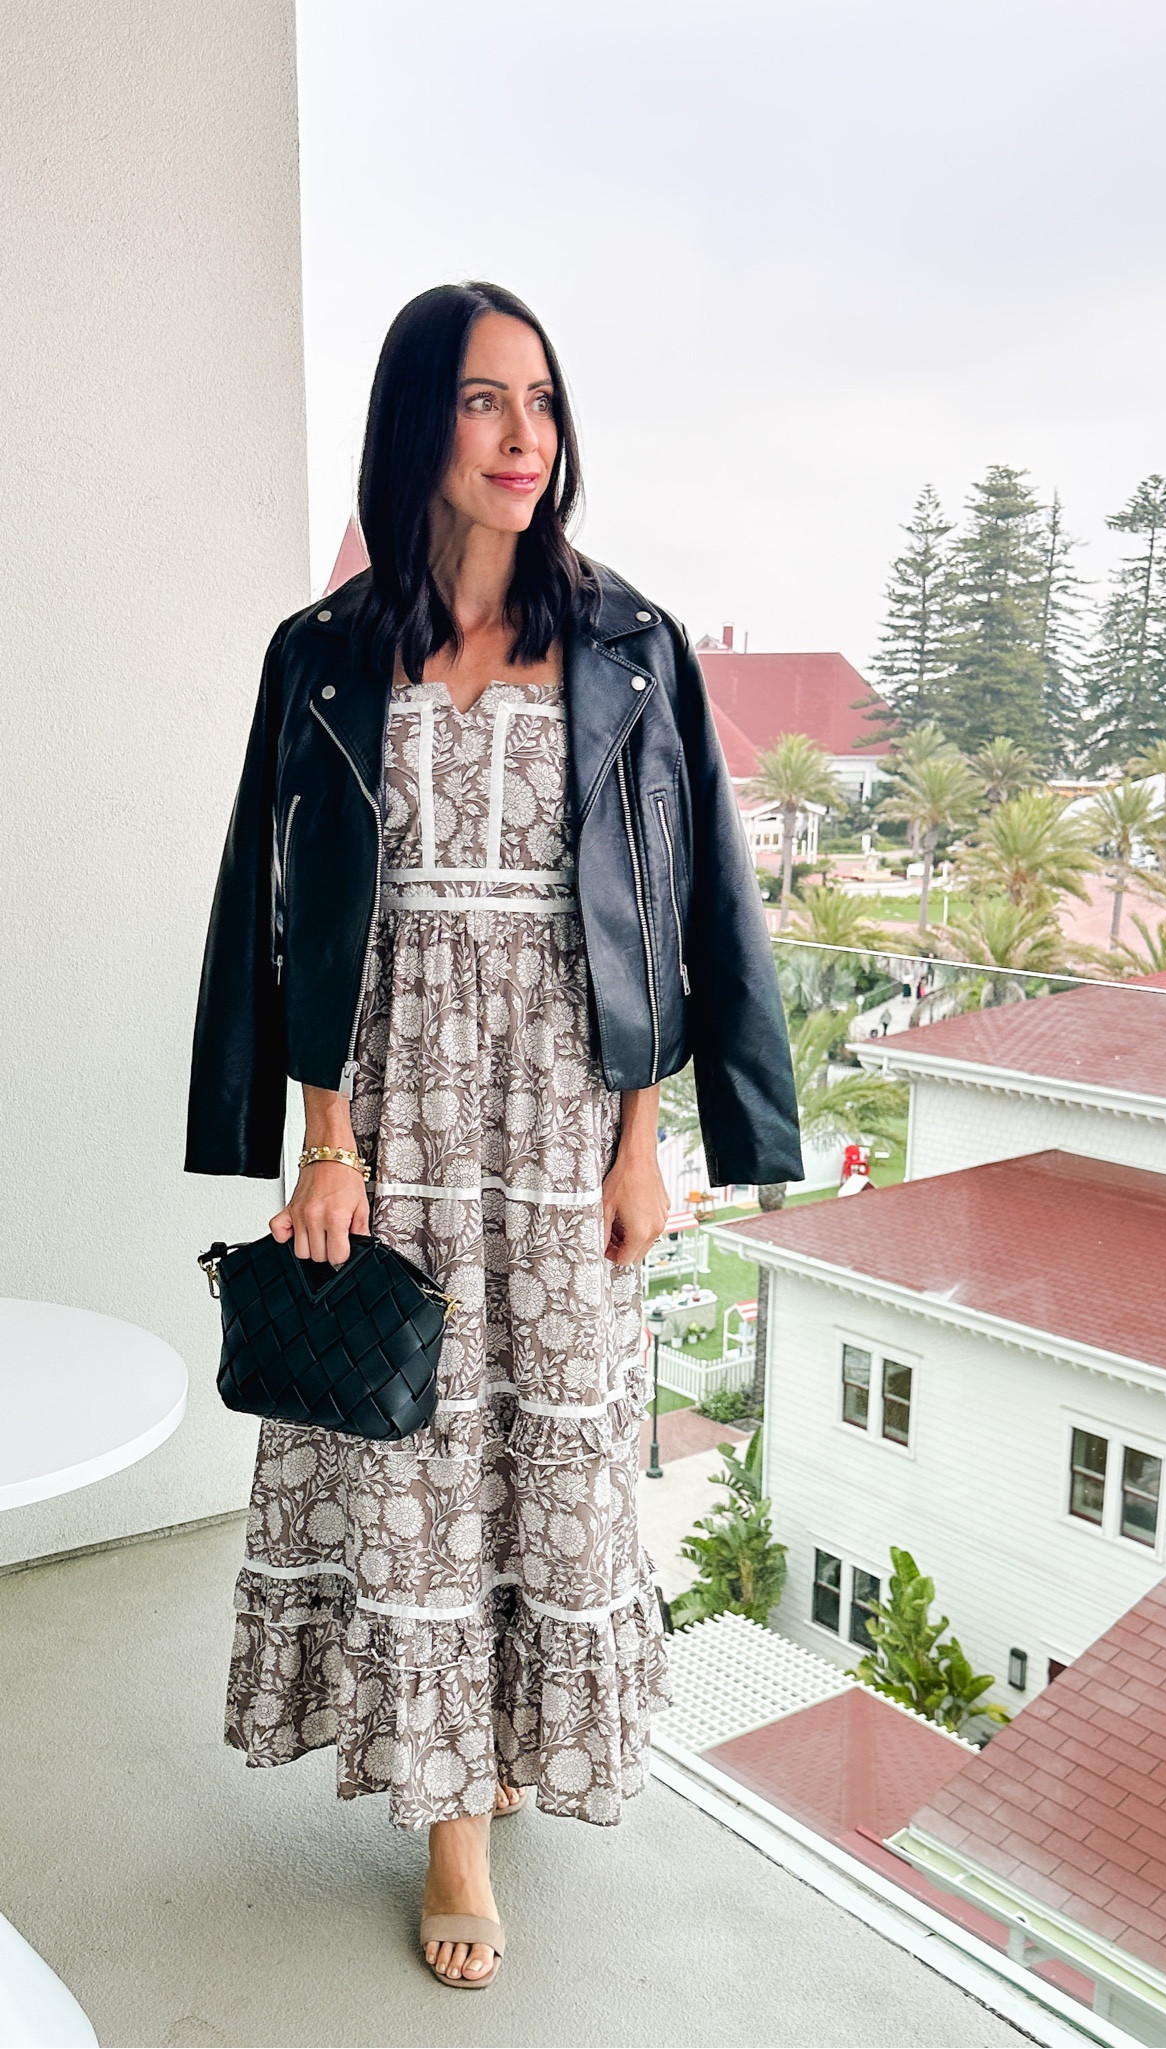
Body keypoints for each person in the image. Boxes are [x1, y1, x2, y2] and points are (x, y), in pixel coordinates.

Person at [185, 281, 803, 1989]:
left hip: (558, 1101)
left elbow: (676, 907)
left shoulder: (628, 643)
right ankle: (452, 1825)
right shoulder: (321, 656)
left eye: (539, 398)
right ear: (416, 426)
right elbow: (293, 916)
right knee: (411, 1439)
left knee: (551, 1442)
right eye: (482, 400)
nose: (525, 433)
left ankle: (504, 1729)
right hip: (387, 1099)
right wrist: (321, 1138)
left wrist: (646, 1136)